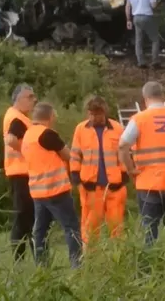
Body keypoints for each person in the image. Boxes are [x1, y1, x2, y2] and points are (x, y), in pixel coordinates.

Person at [118, 81, 165, 247]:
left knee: (150, 229)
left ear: (145, 98)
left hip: (148, 183)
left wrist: (130, 169)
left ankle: (150, 269)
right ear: (162, 96)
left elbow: (122, 145)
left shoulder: (139, 119)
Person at [21, 102, 83, 268]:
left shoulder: (28, 135)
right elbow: (68, 155)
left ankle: (42, 266)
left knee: (40, 231)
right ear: (50, 117)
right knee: (71, 228)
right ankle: (77, 265)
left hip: (37, 192)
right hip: (56, 190)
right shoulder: (47, 134)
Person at [69, 95, 128, 248]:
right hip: (91, 188)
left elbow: (124, 154)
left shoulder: (117, 128)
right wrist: (76, 178)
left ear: (104, 112)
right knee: (89, 229)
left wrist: (123, 176)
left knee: (117, 227)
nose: (94, 117)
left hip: (114, 187)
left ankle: (118, 258)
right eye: (91, 113)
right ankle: (89, 261)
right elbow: (75, 155)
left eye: (97, 113)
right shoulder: (81, 129)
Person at [2, 83, 38, 262]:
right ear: (18, 99)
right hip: (20, 172)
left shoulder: (19, 117)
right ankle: (19, 260)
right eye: (30, 97)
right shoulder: (16, 118)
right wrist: (27, 151)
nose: (34, 100)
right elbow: (10, 139)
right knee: (23, 216)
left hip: (22, 172)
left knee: (27, 217)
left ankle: (28, 257)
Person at [125, 0, 161, 68]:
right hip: (147, 16)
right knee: (155, 39)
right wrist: (156, 3)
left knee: (139, 40)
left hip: (136, 17)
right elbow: (153, 5)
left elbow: (128, 6)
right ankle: (155, 61)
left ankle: (141, 62)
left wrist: (128, 20)